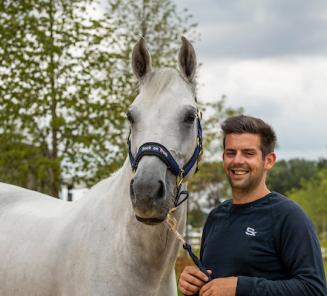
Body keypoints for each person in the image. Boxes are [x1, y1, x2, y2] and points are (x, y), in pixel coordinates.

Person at [178, 115, 327, 296]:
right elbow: (216, 285)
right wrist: (195, 284)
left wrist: (240, 287)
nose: (237, 161)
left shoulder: (288, 216)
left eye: (248, 153)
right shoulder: (215, 217)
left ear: (269, 160)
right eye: (231, 153)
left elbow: (314, 289)